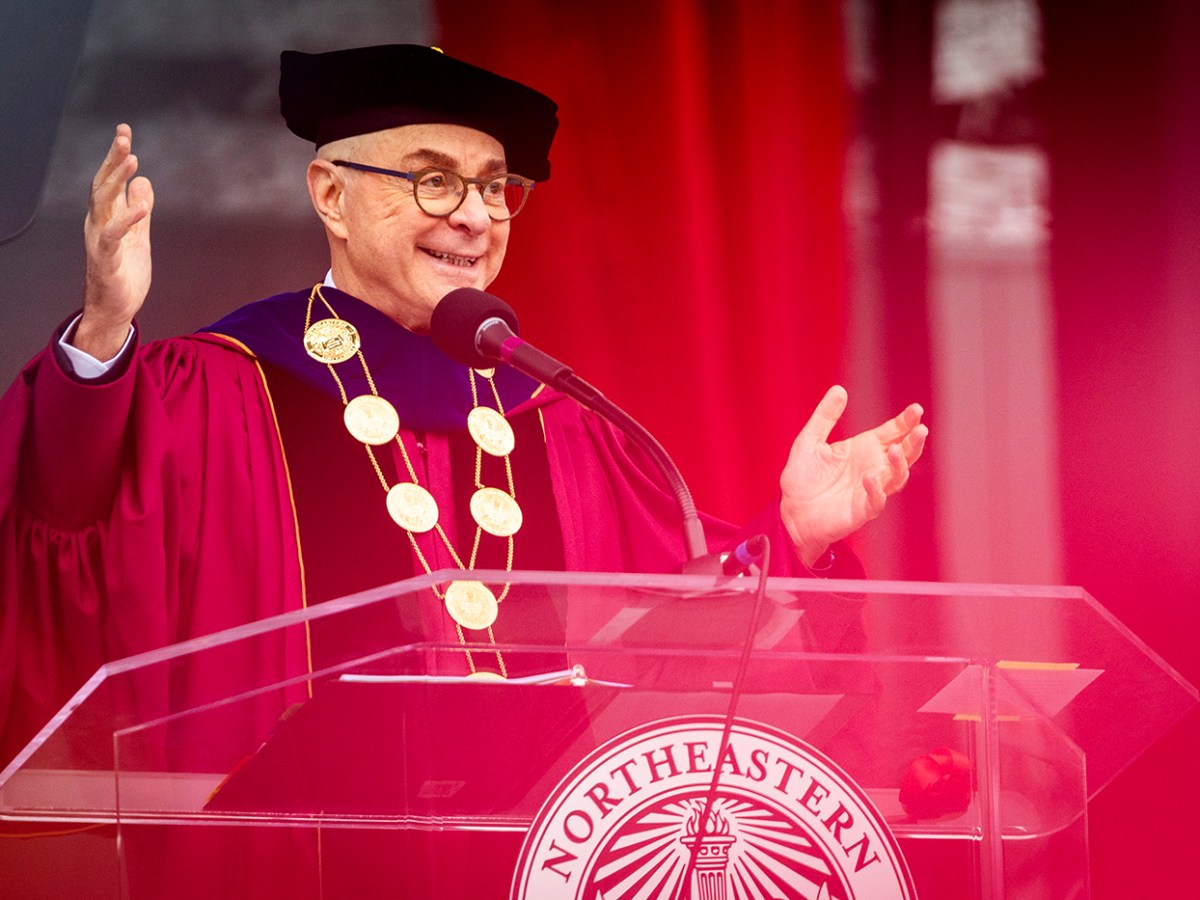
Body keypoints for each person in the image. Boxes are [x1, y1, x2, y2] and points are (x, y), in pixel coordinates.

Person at [0, 41, 924, 786]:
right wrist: (106, 328)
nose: (474, 217)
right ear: (332, 196)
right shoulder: (222, 387)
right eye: (434, 181)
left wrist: (790, 535)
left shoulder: (562, 419)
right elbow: (65, 523)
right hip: (299, 869)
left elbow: (670, 636)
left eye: (494, 187)